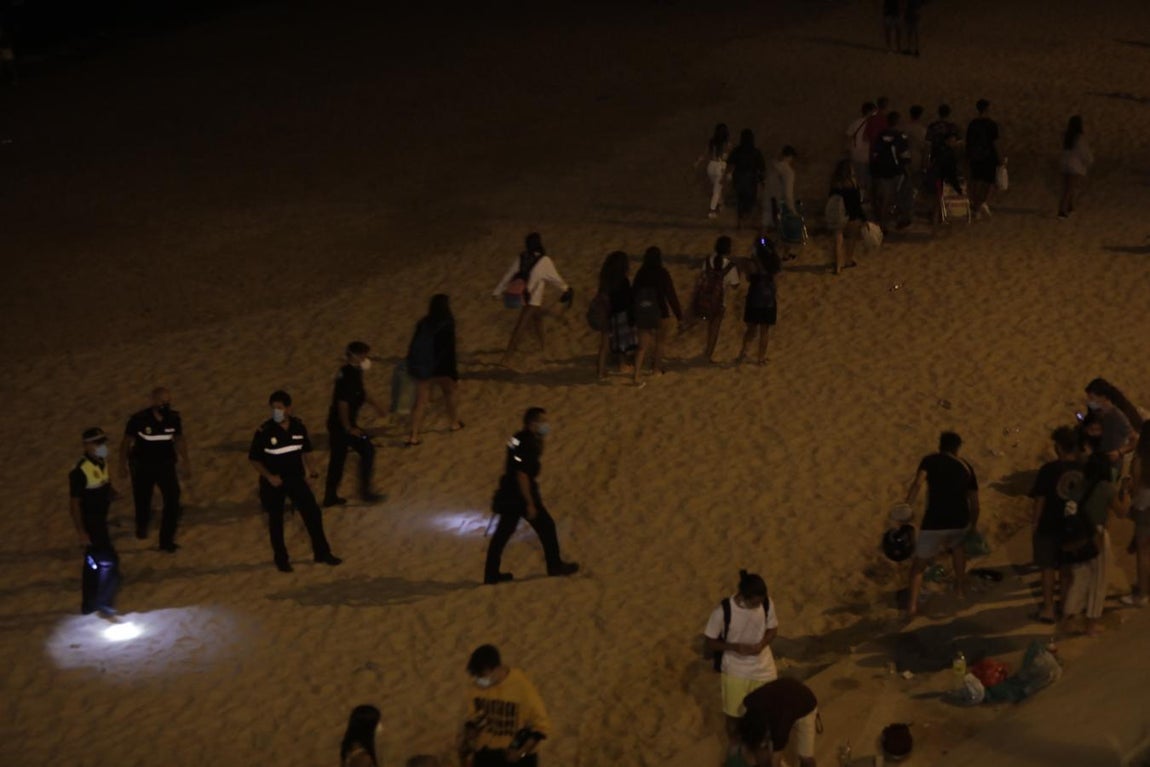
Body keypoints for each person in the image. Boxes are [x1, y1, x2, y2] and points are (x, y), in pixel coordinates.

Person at [248, 390, 342, 573]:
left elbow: (306, 450)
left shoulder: (298, 427)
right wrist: (269, 476)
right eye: (273, 408)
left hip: (295, 478)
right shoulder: (264, 431)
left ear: (289, 408)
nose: (276, 411)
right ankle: (281, 559)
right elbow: (254, 458)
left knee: (313, 514)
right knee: (276, 521)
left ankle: (322, 552)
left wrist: (312, 472)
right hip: (274, 482)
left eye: (280, 408)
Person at [484, 408, 578, 584]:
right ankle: (554, 565)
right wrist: (529, 503)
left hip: (508, 493)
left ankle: (491, 574)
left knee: (502, 535)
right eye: (542, 421)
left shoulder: (517, 437)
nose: (545, 425)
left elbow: (511, 458)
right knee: (547, 527)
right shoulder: (528, 444)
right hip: (520, 495)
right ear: (532, 423)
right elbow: (522, 475)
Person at [904, 431, 980, 617]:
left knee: (919, 565)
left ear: (940, 445)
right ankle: (960, 588)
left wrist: (906, 506)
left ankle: (912, 606)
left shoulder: (929, 460)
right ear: (958, 448)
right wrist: (973, 525)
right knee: (958, 551)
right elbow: (975, 503)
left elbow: (917, 483)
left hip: (934, 520)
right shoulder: (966, 467)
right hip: (958, 519)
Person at [703, 570, 780, 751]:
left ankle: (762, 748)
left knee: (767, 712)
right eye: (755, 603)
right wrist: (734, 647)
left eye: (761, 602)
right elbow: (709, 643)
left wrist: (762, 644)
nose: (758, 605)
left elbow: (773, 629)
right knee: (734, 716)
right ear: (744, 597)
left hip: (764, 669)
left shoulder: (766, 603)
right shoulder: (723, 612)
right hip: (735, 670)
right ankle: (737, 749)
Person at [1061, 455, 1129, 635]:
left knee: (1079, 580)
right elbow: (1121, 512)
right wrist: (1126, 493)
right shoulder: (1107, 488)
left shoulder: (1078, 487)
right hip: (1097, 536)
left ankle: (1068, 620)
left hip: (1078, 537)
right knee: (1098, 582)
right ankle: (1092, 624)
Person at [1027, 426, 1087, 623]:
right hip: (1072, 525)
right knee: (1066, 569)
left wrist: (1034, 523)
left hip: (1049, 525)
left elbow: (1040, 500)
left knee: (1047, 569)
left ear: (1059, 447)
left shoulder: (1049, 470)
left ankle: (1048, 609)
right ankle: (1064, 605)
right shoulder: (1084, 469)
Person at [120, 387, 189, 552]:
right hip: (143, 466)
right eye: (161, 401)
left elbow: (179, 440)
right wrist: (121, 464)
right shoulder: (139, 420)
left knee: (173, 499)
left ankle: (166, 541)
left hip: (165, 465)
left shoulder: (173, 419)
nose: (165, 405)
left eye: (167, 401)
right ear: (153, 401)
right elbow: (126, 442)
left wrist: (186, 461)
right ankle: (141, 526)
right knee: (142, 499)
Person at [460, 644, 552, 767]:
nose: (479, 680)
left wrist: (521, 752)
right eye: (477, 677)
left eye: (483, 676)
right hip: (487, 754)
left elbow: (540, 728)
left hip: (515, 756)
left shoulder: (522, 688)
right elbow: (473, 719)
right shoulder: (477, 688)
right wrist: (470, 738)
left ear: (497, 669)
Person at [492, 233, 574, 366]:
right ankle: (520, 353)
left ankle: (513, 355)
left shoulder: (522, 257)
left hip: (525, 296)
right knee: (529, 323)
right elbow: (555, 279)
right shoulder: (544, 260)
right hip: (533, 299)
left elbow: (509, 274)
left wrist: (498, 291)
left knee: (531, 322)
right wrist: (566, 289)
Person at [324, 342, 385, 506]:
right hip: (342, 425)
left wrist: (376, 405)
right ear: (355, 356)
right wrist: (349, 428)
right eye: (364, 355)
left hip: (342, 424)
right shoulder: (348, 375)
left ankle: (330, 496)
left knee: (338, 459)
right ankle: (365, 493)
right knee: (367, 451)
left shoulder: (352, 372)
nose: (366, 358)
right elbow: (342, 404)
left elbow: (361, 392)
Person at [406, 294, 464, 446]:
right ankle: (454, 423)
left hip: (424, 368)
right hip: (442, 368)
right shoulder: (448, 323)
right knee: (450, 394)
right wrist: (454, 374)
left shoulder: (423, 323)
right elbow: (449, 351)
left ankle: (413, 435)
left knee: (420, 403)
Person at [735, 677, 819, 767]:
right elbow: (745, 744)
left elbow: (775, 762)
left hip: (806, 704)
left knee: (805, 757)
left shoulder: (779, 728)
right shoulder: (747, 705)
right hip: (785, 693)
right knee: (759, 750)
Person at [631, 246, 682, 383]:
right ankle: (656, 369)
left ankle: (636, 374)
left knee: (642, 347)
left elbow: (634, 293)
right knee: (660, 343)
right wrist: (679, 314)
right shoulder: (663, 273)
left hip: (644, 311)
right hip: (660, 311)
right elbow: (671, 295)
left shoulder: (641, 273)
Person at [69, 427, 118, 553]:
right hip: (91, 519)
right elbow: (74, 504)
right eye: (97, 443)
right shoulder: (80, 470)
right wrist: (82, 532)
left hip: (101, 515)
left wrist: (111, 491)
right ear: (86, 446)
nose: (102, 446)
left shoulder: (101, 461)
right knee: (104, 552)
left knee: (95, 551)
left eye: (102, 442)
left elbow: (104, 480)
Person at [695, 235, 741, 363]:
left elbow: (702, 276)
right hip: (720, 302)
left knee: (708, 326)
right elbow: (735, 286)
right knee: (714, 329)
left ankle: (706, 352)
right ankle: (708, 354)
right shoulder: (730, 266)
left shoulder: (708, 260)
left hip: (704, 298)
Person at [737, 237, 781, 366]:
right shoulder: (774, 263)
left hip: (755, 297)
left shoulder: (752, 263)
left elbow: (749, 278)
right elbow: (775, 282)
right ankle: (761, 358)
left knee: (751, 328)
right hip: (768, 300)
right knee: (764, 330)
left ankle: (743, 353)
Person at [1082, 378, 1138, 478]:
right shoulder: (1097, 413)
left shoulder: (1117, 416)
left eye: (1092, 398)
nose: (1089, 402)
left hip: (1112, 467)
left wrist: (1119, 452)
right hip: (1099, 460)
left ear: (1103, 397)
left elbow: (1134, 440)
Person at [1120, 422, 1150, 607]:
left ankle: (1142, 595)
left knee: (1143, 553)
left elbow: (1136, 487)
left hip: (1145, 508)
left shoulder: (1141, 459)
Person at [595, 250, 636, 380]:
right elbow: (627, 299)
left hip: (607, 314)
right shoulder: (623, 281)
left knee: (604, 344)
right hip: (620, 314)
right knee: (622, 343)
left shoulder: (605, 279)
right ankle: (622, 364)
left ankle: (600, 371)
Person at [870, 111, 911, 232]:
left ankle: (883, 224)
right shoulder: (901, 136)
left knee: (885, 198)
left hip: (882, 171)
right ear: (898, 122)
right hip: (897, 171)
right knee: (902, 195)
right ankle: (902, 219)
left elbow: (875, 154)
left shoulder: (880, 135)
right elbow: (904, 155)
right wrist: (907, 170)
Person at [827, 159, 866, 275]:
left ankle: (838, 266)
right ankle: (848, 260)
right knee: (851, 239)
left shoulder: (835, 183)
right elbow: (856, 203)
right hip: (851, 216)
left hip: (838, 215)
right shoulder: (852, 183)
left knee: (838, 240)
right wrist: (863, 218)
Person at [965, 99, 1001, 219]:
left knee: (976, 181)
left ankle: (976, 206)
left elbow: (968, 141)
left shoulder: (973, 124)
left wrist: (968, 155)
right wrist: (1000, 157)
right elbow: (995, 142)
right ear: (987, 109)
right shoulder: (991, 124)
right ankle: (979, 205)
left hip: (975, 155)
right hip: (988, 156)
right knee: (987, 182)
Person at [726, 129, 766, 230]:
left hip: (738, 179)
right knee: (750, 201)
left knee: (740, 200)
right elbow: (761, 168)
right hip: (751, 180)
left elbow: (730, 163)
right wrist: (762, 181)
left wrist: (729, 175)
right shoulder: (756, 152)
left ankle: (740, 222)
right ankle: (747, 220)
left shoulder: (737, 150)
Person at [1058, 115, 1094, 219]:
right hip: (1074, 167)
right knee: (1069, 189)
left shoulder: (1066, 137)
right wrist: (1089, 161)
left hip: (1065, 165)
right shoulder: (1079, 138)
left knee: (1068, 188)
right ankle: (1062, 211)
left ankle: (1070, 207)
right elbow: (1084, 152)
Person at [845, 102, 877, 198]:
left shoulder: (855, 123)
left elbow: (848, 136)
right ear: (869, 111)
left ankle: (860, 200)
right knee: (867, 181)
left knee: (858, 180)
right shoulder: (871, 124)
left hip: (856, 155)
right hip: (867, 156)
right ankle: (864, 200)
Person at [699, 123, 731, 218]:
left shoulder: (712, 142)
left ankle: (721, 204)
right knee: (717, 190)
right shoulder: (727, 144)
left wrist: (698, 162)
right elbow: (726, 157)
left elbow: (705, 154)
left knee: (717, 187)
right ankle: (712, 210)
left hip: (710, 166)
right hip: (720, 167)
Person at [764, 146, 797, 235]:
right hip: (780, 206)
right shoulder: (788, 172)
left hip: (769, 203)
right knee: (783, 235)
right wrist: (792, 210)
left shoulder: (772, 168)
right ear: (791, 157)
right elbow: (788, 194)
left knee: (765, 232)